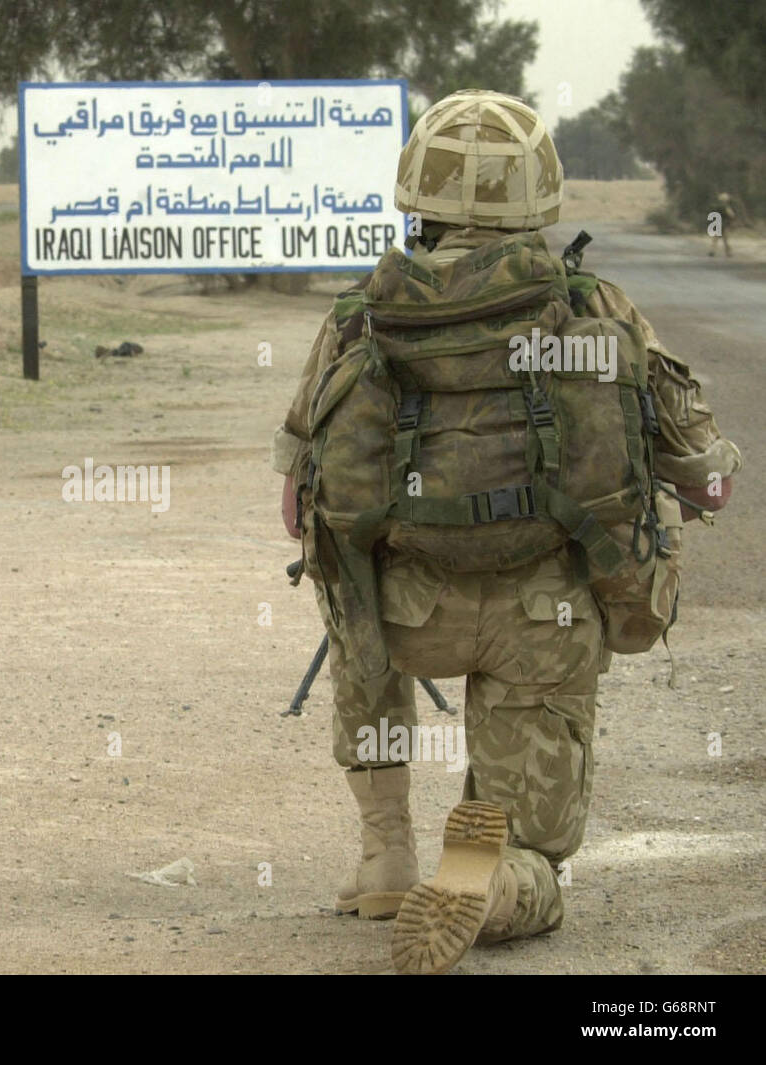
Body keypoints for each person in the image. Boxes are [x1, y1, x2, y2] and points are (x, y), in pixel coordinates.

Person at [270, 89, 742, 974]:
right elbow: (707, 481)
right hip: (542, 621)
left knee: (343, 579)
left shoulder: (359, 318)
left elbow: (300, 506)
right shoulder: (595, 303)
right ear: (543, 192)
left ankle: (385, 855)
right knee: (538, 849)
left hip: (406, 617)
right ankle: (494, 878)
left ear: (419, 193)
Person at [708, 191, 735, 257]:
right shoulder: (726, 206)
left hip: (716, 223)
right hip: (724, 224)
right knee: (725, 239)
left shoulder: (716, 206)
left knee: (715, 239)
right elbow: (731, 215)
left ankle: (712, 251)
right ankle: (728, 253)